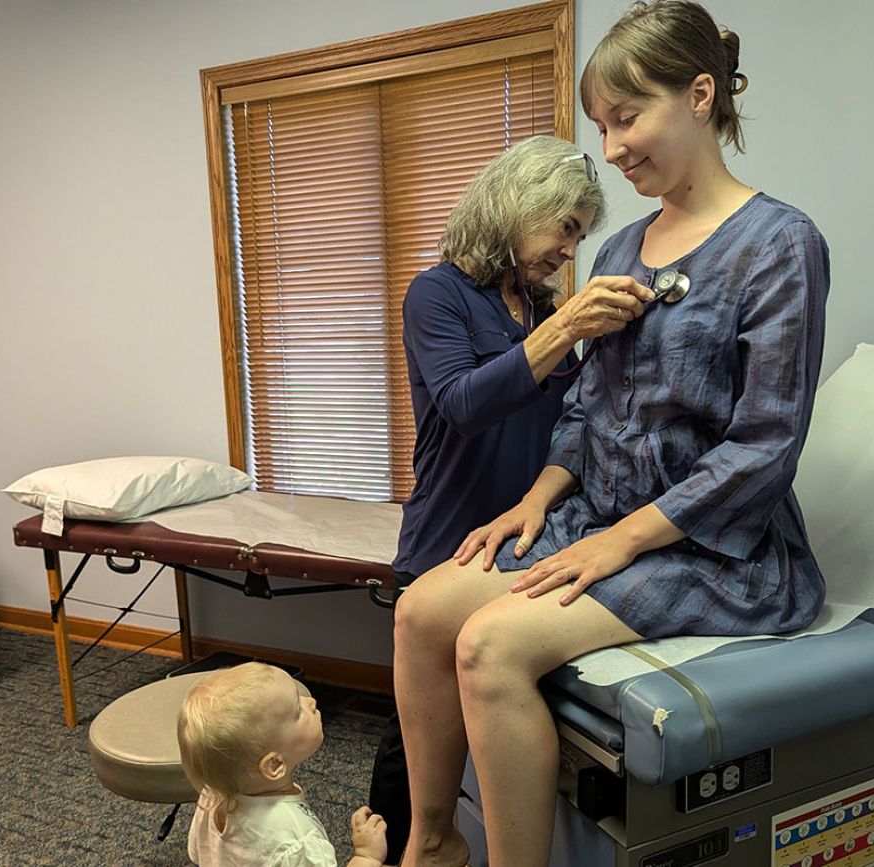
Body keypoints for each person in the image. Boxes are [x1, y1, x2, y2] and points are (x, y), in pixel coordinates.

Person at [393, 3, 832, 866]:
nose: (615, 145)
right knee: (418, 613)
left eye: (628, 118)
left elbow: (765, 448)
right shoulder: (620, 251)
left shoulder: (780, 244)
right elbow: (586, 406)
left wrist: (621, 542)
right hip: (600, 520)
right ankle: (432, 840)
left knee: (488, 642)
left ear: (700, 95)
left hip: (711, 545)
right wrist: (536, 500)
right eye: (604, 127)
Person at [369, 134, 654, 862]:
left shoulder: (539, 305)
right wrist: (566, 329)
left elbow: (577, 422)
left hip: (529, 542)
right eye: (564, 229)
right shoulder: (437, 294)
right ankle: (402, 849)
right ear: (516, 207)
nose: (570, 249)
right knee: (414, 745)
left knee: (490, 713)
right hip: (450, 539)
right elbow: (464, 402)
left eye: (581, 237)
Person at [178, 663, 389, 867]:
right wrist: (366, 856)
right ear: (275, 765)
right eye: (298, 710)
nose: (311, 701)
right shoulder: (297, 839)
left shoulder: (211, 795)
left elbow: (200, 854)